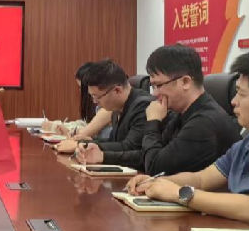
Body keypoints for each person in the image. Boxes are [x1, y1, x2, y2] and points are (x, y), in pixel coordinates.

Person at [126, 48, 249, 226]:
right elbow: (202, 179)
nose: (233, 101)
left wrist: (178, 193)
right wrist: (158, 182)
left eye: (241, 94)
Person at [79, 45, 240, 174]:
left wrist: (153, 122)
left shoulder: (203, 122)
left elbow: (155, 167)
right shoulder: (181, 113)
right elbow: (147, 154)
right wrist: (103, 156)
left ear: (185, 82)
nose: (155, 94)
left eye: (158, 85)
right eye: (153, 86)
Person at [63, 59, 154, 169]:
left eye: (97, 97)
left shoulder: (143, 106)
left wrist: (90, 147)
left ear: (117, 90)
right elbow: (114, 141)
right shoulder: (117, 107)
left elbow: (129, 147)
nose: (94, 102)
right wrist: (87, 143)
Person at [46, 62, 114, 152]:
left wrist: (72, 133)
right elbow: (87, 130)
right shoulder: (100, 107)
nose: (80, 92)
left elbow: (85, 133)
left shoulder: (108, 108)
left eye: (81, 88)